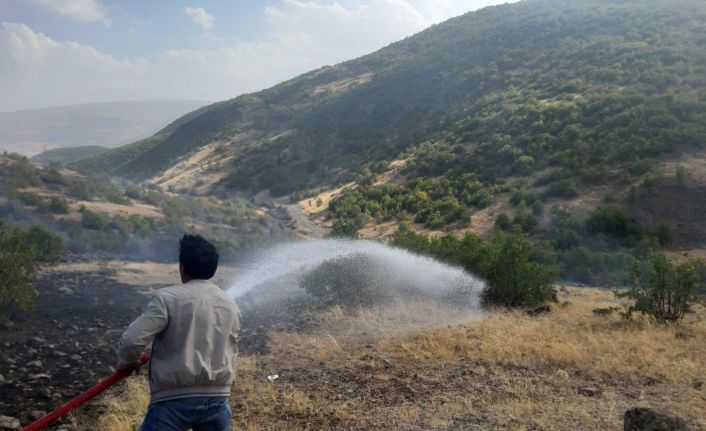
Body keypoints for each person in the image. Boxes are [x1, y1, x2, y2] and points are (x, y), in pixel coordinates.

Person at [116, 234, 241, 431]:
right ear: (213, 269)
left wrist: (128, 363)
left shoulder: (166, 299)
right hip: (217, 399)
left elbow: (132, 341)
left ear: (182, 269)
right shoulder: (230, 304)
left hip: (172, 401)